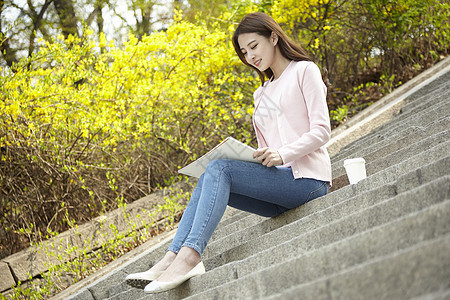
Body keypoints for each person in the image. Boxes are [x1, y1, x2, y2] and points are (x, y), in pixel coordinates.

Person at [125, 11, 332, 294]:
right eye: (244, 53)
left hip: (308, 181)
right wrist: (259, 155)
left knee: (220, 169)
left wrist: (281, 154)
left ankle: (190, 256)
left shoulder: (304, 71)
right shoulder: (261, 94)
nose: (250, 57)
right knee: (210, 175)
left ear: (273, 37)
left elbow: (322, 130)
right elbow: (268, 143)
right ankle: (171, 257)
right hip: (279, 188)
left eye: (254, 46)